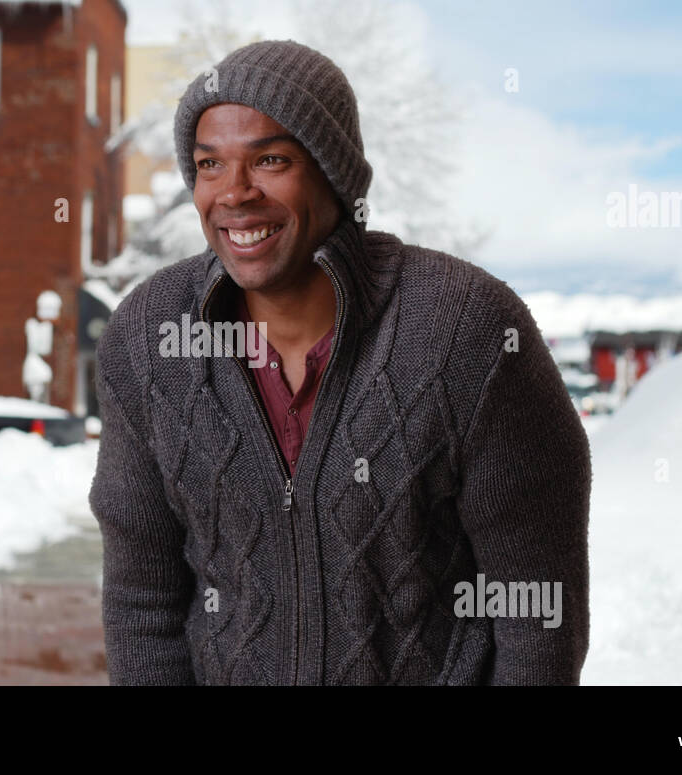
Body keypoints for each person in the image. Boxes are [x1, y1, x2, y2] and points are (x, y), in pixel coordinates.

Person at [89, 39, 591, 685]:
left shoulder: (466, 329)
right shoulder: (151, 336)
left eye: (271, 159)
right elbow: (142, 605)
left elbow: (537, 614)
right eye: (209, 164)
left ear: (334, 172)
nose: (234, 193)